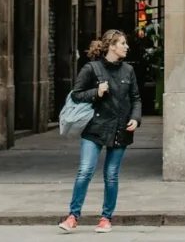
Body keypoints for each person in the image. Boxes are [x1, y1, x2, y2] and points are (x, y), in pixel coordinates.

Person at [58, 30, 142, 234]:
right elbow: (76, 95)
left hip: (120, 129)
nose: (126, 46)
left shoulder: (128, 70)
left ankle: (106, 218)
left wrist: (135, 118)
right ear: (111, 46)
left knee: (111, 175)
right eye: (122, 43)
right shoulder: (91, 69)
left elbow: (136, 98)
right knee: (85, 170)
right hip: (94, 129)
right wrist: (96, 92)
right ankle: (72, 216)